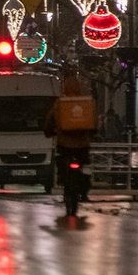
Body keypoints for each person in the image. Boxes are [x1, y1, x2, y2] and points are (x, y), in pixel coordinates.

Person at [44, 74, 95, 208]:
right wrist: (93, 132)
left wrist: (48, 131)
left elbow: (50, 120)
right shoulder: (86, 103)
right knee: (86, 166)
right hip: (82, 145)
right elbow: (94, 121)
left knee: (61, 164)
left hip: (64, 144)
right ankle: (84, 190)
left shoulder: (60, 103)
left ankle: (62, 179)